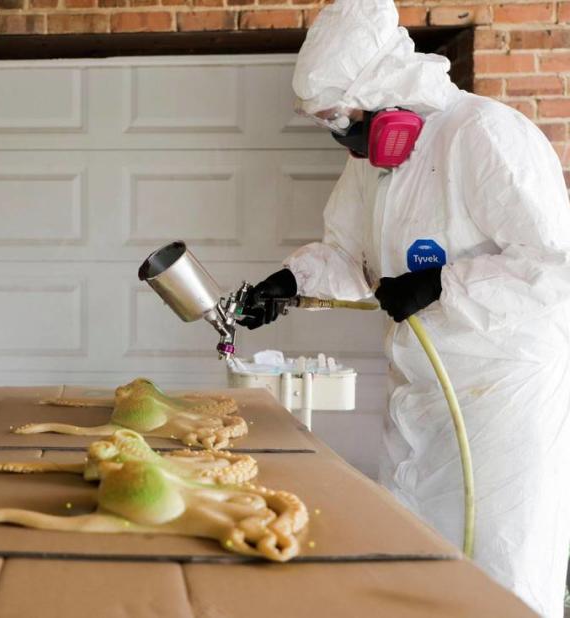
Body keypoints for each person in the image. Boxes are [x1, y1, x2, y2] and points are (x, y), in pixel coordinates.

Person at [240, 0, 570, 615]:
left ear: (386, 89)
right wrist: (288, 282)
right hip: (421, 389)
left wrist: (444, 285)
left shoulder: (485, 135)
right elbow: (349, 255)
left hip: (502, 398)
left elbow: (554, 265)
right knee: (413, 558)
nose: (345, 137)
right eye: (332, 125)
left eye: (347, 119)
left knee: (499, 567)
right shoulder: (375, 167)